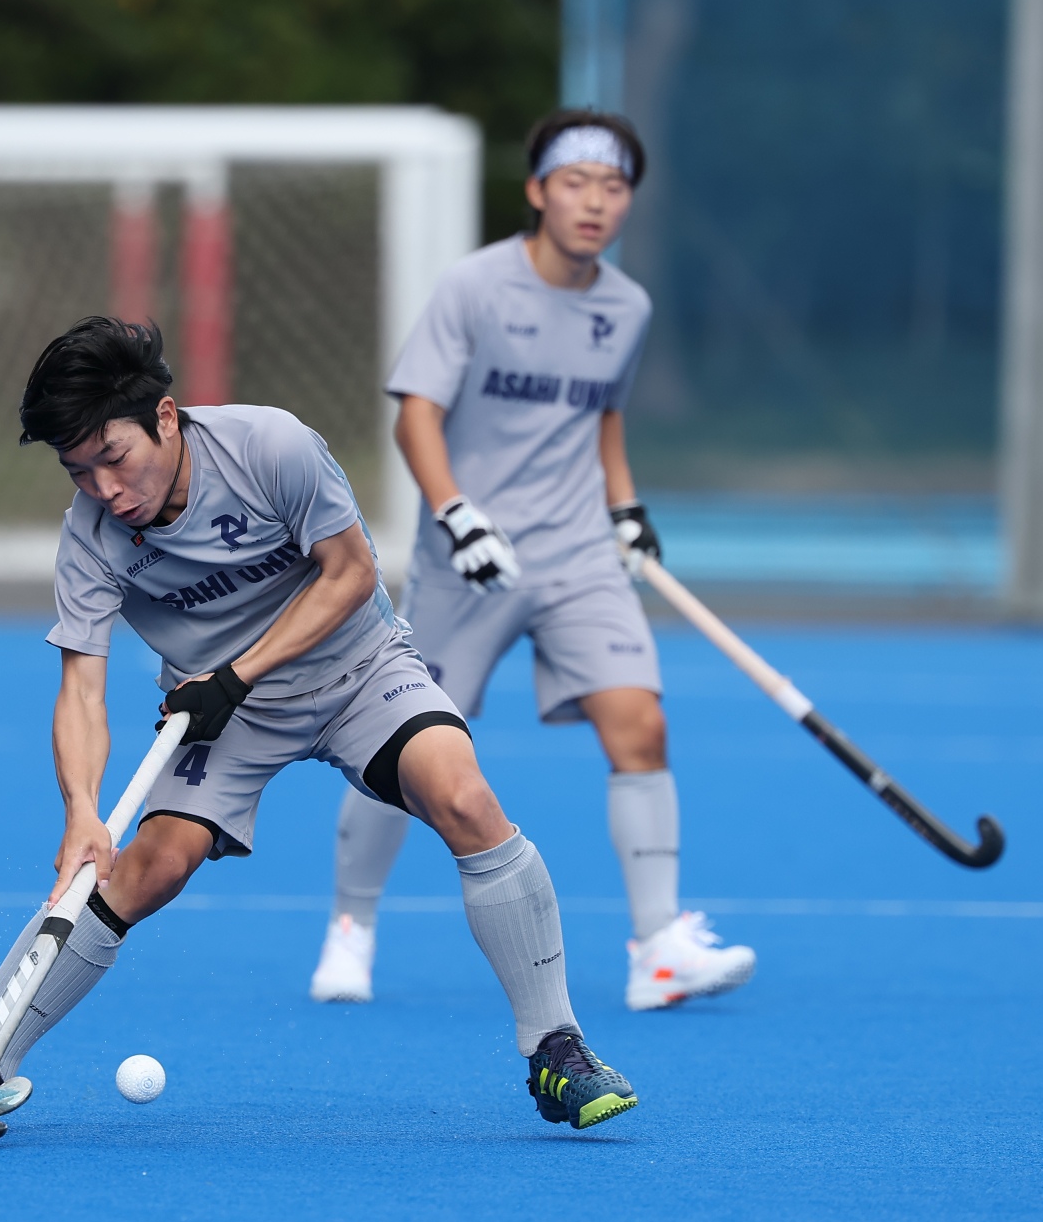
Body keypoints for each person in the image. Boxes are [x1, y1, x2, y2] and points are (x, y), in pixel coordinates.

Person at [0, 318, 639, 1134]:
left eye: (113, 458)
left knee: (463, 796)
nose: (105, 489)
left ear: (166, 418)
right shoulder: (91, 538)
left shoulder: (271, 448)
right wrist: (82, 811)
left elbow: (351, 573)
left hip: (358, 671)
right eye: (78, 472)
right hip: (222, 717)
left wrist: (236, 674)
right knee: (146, 869)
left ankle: (556, 1049)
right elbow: (81, 689)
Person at [306, 109, 754, 1014]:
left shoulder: (626, 307)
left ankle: (658, 947)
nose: (595, 202)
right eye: (576, 182)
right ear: (538, 191)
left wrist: (625, 508)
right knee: (402, 747)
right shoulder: (474, 287)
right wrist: (456, 514)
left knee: (641, 725)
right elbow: (416, 416)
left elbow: (601, 416)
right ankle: (351, 926)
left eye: (614, 187)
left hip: (578, 552)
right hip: (467, 561)